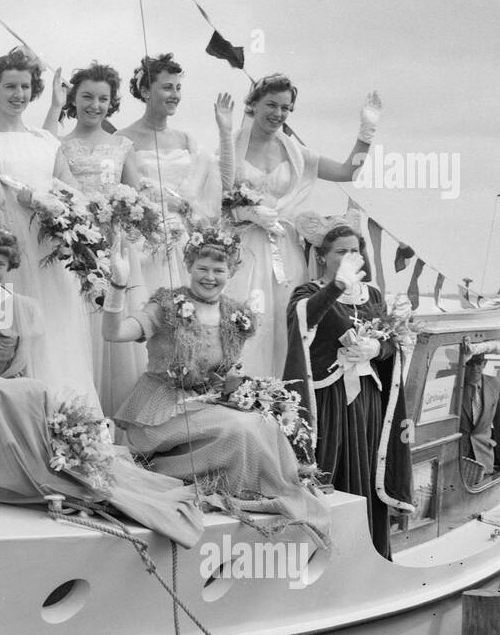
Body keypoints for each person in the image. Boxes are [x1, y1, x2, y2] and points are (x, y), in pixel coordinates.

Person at [0, 223, 202, 547]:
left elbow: (20, 371)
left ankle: (73, 480)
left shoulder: (23, 308)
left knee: (35, 391)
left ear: (10, 268)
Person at [102, 224, 329, 539]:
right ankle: (242, 494)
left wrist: (235, 385)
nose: (209, 276)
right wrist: (118, 283)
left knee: (266, 423)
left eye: (218, 269)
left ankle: (270, 493)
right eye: (202, 268)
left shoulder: (235, 314)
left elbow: (220, 372)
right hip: (162, 408)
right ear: (189, 267)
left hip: (207, 403)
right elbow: (112, 334)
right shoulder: (165, 306)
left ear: (231, 271)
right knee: (240, 428)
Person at [0, 49, 101, 410]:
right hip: (4, 243)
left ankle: (67, 412)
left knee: (55, 322)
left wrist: (52, 202)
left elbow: (71, 188)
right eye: (10, 86)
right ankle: (19, 409)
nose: (18, 94)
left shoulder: (46, 140)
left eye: (25, 87)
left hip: (46, 242)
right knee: (12, 322)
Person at [223, 74, 382, 379]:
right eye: (271, 104)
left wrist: (367, 132)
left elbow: (349, 171)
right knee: (244, 319)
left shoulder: (298, 154)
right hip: (244, 250)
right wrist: (246, 212)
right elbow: (213, 199)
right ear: (253, 104)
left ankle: (285, 395)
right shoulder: (231, 148)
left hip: (286, 250)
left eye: (285, 108)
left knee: (287, 320)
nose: (278, 114)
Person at [283, 224, 413, 559]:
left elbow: (391, 344)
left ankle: (366, 555)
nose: (348, 257)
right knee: (328, 471)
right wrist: (338, 284)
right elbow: (304, 318)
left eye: (354, 251)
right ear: (323, 256)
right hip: (327, 401)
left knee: (366, 475)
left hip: (366, 400)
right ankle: (321, 556)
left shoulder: (374, 296)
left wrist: (376, 348)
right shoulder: (307, 292)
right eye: (340, 251)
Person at [52, 62, 146, 417]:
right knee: (75, 321)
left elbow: (136, 195)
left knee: (111, 319)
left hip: (114, 245)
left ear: (112, 103)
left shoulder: (123, 145)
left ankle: (114, 416)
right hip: (74, 243)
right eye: (87, 96)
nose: (95, 105)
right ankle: (77, 410)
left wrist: (123, 211)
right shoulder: (60, 144)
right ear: (73, 99)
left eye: (103, 98)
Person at [118, 54, 235, 292]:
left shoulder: (186, 139)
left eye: (178, 88)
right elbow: (126, 196)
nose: (175, 95)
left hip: (187, 239)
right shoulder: (123, 139)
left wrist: (225, 131)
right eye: (167, 87)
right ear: (146, 91)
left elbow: (224, 182)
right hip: (147, 241)